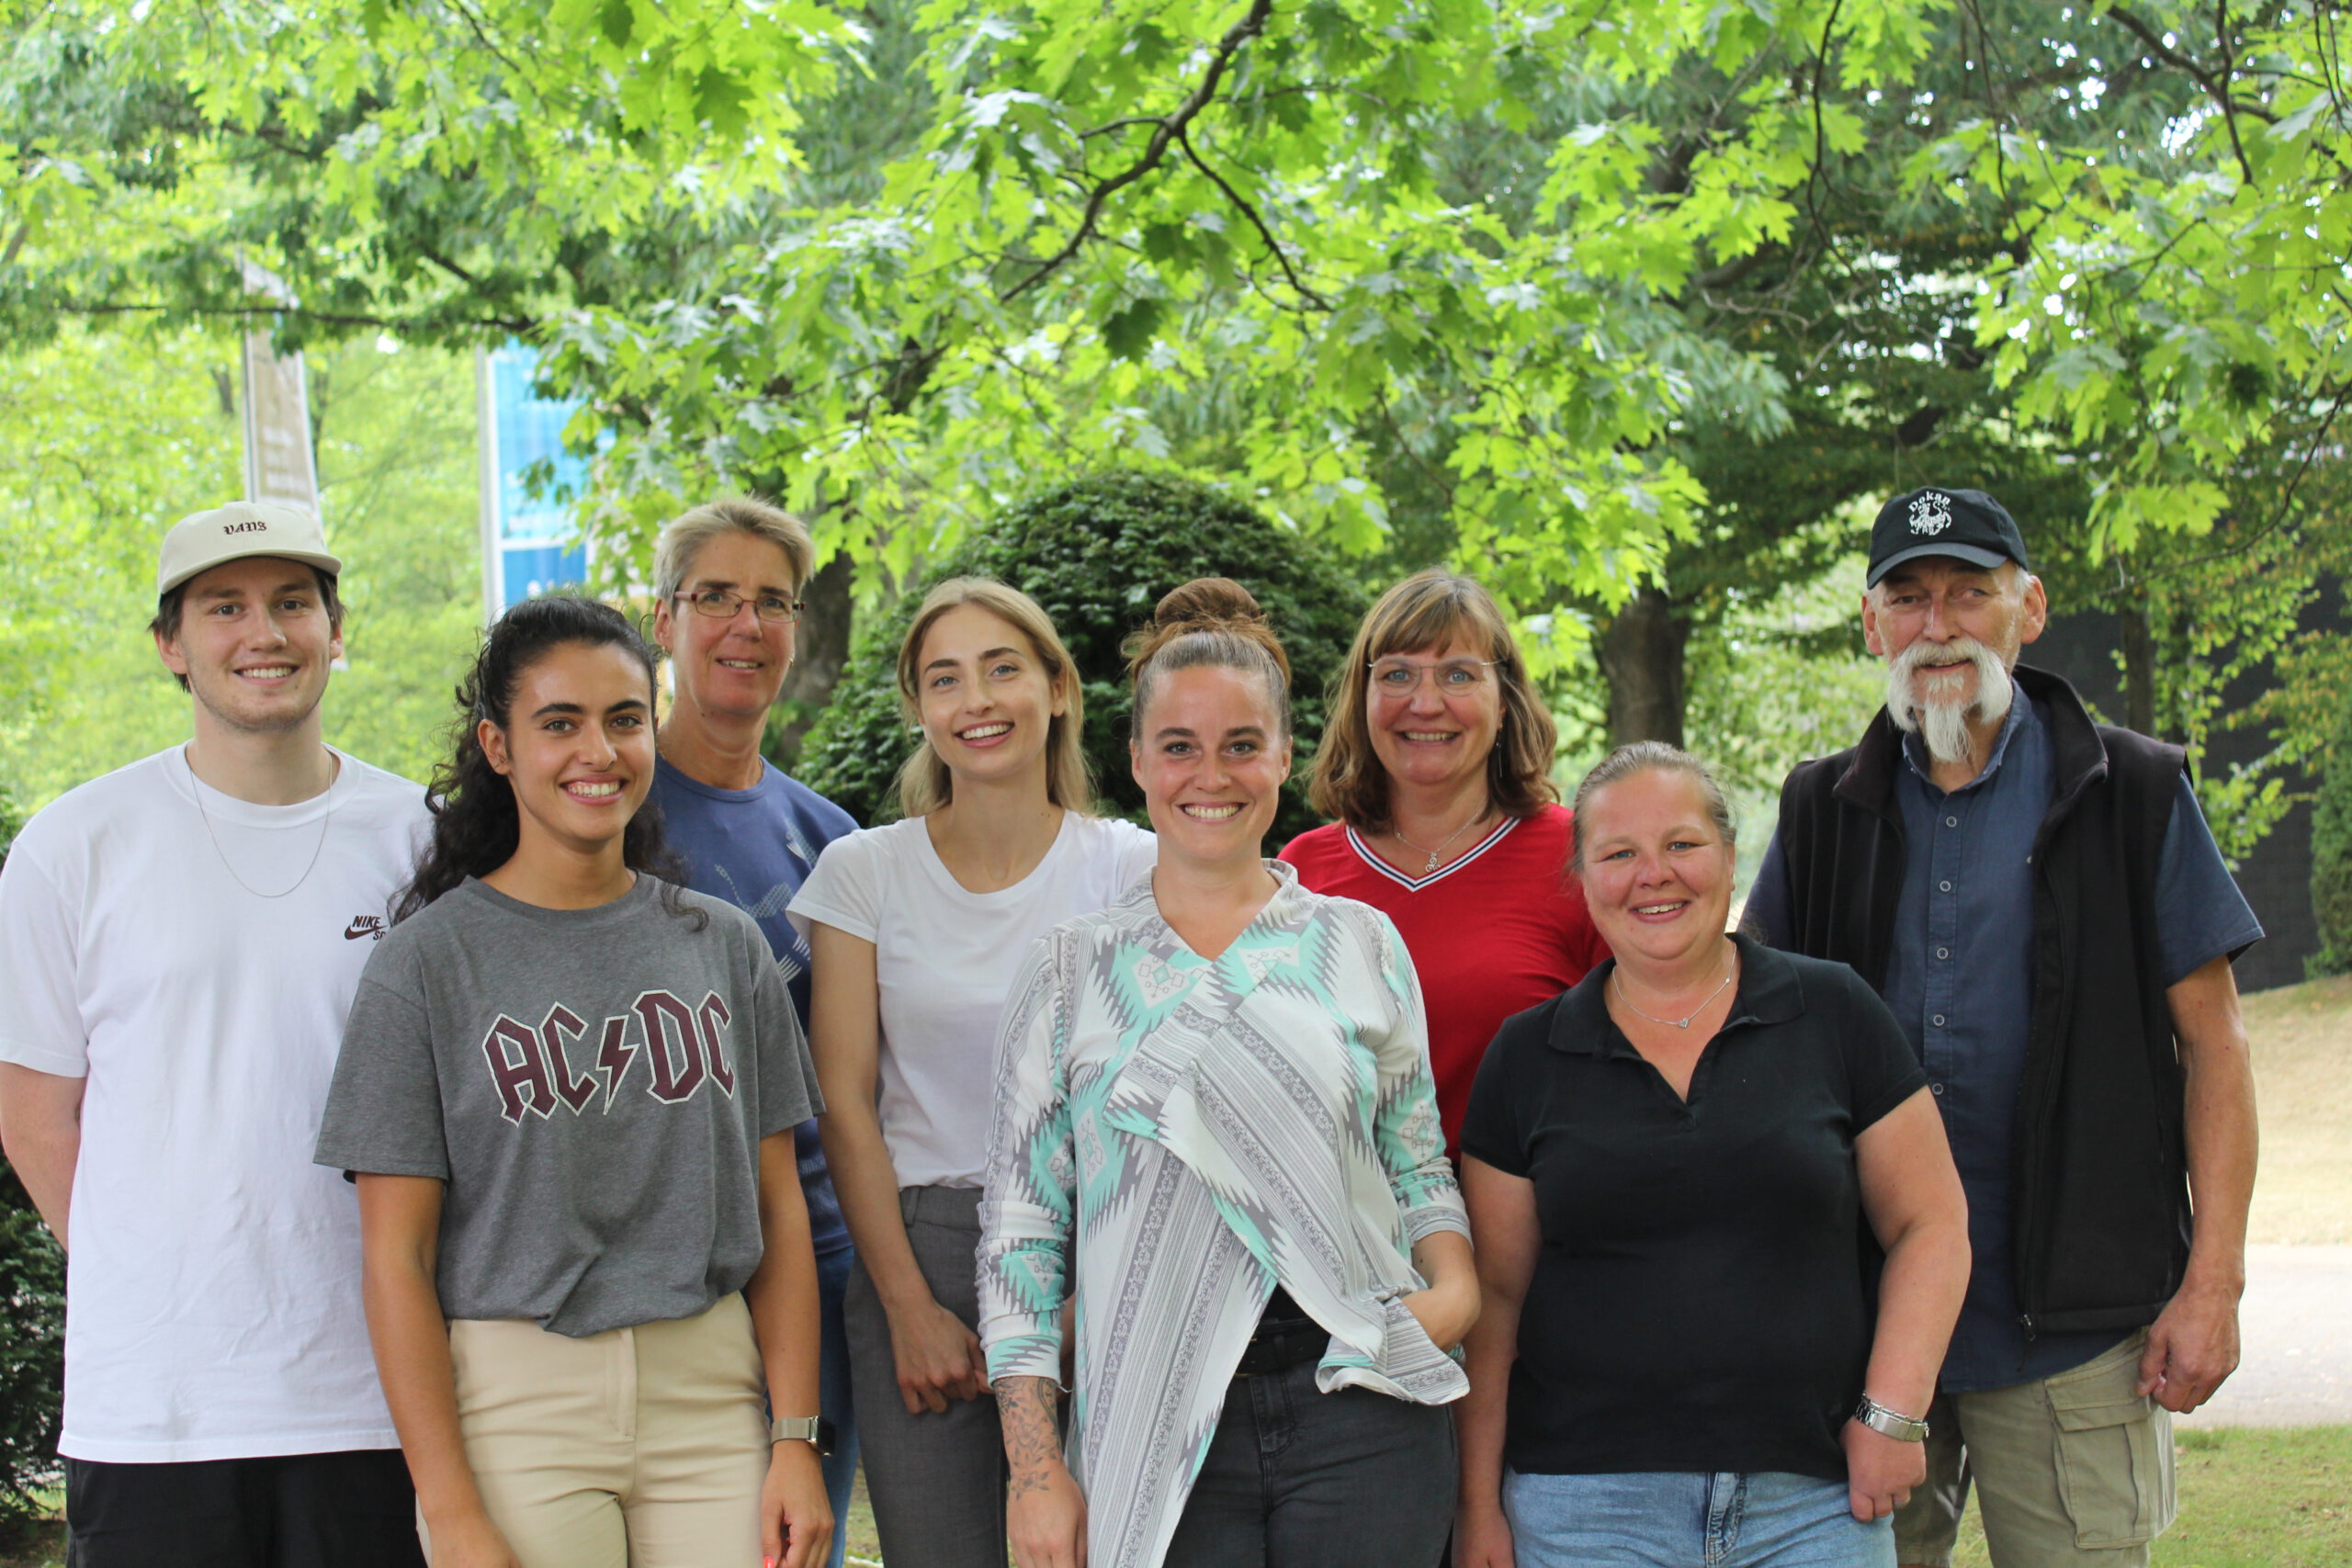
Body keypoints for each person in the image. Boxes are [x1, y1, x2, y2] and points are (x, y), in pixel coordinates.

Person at [1744, 486, 2263, 1568]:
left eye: (1968, 594)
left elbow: (2215, 1045)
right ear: (1870, 623)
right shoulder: (1815, 810)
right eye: (1909, 597)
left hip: (2080, 1335)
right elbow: (1759, 1049)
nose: (1938, 626)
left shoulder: (2135, 794)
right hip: (1866, 1338)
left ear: (2028, 608)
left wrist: (2211, 1282)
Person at [313, 595, 832, 1568]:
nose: (598, 751)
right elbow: (394, 1260)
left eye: (624, 719)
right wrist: (451, 1505)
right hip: (517, 1410)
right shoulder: (425, 967)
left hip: (712, 1396)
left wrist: (796, 1439)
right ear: (498, 747)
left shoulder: (720, 945)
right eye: (560, 723)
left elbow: (779, 1208)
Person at [980, 578, 1480, 1568]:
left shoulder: (1359, 944)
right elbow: (1022, 1239)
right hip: (1149, 1392)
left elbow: (1419, 1169)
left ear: (1285, 757)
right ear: (1136, 762)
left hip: (1361, 1402)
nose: (1211, 775)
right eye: (1180, 746)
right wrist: (1035, 1473)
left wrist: (1451, 1293)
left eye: (1242, 745)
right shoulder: (1070, 971)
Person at [0, 502, 429, 1568]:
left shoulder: (424, 838)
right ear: (171, 646)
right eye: (223, 606)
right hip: (157, 1407)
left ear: (337, 629)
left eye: (293, 603)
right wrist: (159, 1266)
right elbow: (34, 1117)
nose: (264, 633)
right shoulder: (74, 847)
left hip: (380, 1394)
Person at [1456, 742, 1971, 1568]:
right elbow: (1496, 1296)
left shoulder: (1833, 1011)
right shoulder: (1527, 1056)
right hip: (1587, 1512)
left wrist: (1892, 1414)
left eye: (1682, 844)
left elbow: (1932, 1222)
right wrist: (1478, 1504)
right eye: (1618, 853)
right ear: (1584, 881)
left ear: (1731, 858)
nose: (1652, 874)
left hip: (1813, 1503)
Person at [790, 578, 1155, 1568]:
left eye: (1002, 669)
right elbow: (845, 1104)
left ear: (1059, 688)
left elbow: (1166, 1093)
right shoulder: (864, 874)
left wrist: (1098, 1307)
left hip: (1098, 1242)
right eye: (944, 680)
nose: (976, 702)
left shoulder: (1131, 870)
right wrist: (907, 1306)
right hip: (924, 1253)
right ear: (917, 709)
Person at [645, 497, 862, 1568]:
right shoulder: (603, 809)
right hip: (659, 1278)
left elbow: (858, 1077)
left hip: (814, 1271)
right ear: (662, 620)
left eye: (771, 601)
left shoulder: (834, 843)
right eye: (716, 597)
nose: (746, 625)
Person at [1279, 569, 1609, 1147]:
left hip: (1533, 1222)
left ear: (1504, 702)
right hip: (1342, 1225)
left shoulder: (1581, 857)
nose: (1425, 703)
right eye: (1398, 674)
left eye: (1459, 675)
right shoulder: (1302, 873)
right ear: (1363, 698)